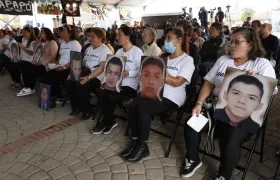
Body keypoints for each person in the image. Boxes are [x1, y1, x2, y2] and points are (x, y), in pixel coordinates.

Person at [182, 27, 276, 180]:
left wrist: (259, 80)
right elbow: (208, 83)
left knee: (231, 137)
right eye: (231, 41)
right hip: (217, 110)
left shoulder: (261, 65)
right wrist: (199, 103)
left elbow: (270, 92)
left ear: (250, 45)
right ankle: (193, 159)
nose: (231, 45)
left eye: (237, 42)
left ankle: (224, 175)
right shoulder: (223, 60)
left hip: (243, 116)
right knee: (192, 123)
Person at [122, 28, 195, 163]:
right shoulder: (163, 57)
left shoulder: (187, 60)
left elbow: (178, 82)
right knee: (134, 104)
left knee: (143, 108)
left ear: (179, 40)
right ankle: (137, 142)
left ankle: (142, 146)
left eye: (168, 38)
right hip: (155, 92)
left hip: (172, 96)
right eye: (165, 38)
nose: (165, 41)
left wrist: (160, 73)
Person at [92, 26, 143, 135]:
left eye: (119, 34)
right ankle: (110, 121)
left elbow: (142, 71)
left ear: (127, 37)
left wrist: (130, 73)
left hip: (130, 85)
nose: (117, 37)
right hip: (117, 82)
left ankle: (107, 121)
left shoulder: (137, 51)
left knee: (111, 95)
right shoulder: (119, 52)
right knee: (101, 91)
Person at [66, 27, 112, 119]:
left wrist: (89, 77)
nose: (90, 39)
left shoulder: (105, 50)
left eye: (93, 37)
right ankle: (77, 107)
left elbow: (101, 68)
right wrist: (73, 72)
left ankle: (87, 110)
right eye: (89, 36)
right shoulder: (89, 48)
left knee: (81, 84)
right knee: (69, 82)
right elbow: (82, 62)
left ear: (100, 38)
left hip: (97, 76)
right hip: (86, 71)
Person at [40, 25, 81, 105]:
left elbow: (76, 60)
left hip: (70, 68)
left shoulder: (75, 44)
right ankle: (54, 95)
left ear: (70, 33)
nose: (61, 32)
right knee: (43, 77)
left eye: (63, 31)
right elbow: (60, 56)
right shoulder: (63, 43)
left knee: (53, 78)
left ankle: (59, 96)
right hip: (60, 66)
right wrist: (56, 64)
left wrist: (64, 67)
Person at [17, 27, 58, 97]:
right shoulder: (44, 42)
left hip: (47, 65)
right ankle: (29, 87)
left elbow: (52, 56)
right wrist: (37, 41)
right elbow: (36, 51)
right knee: (26, 65)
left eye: (41, 32)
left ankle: (29, 87)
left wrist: (42, 63)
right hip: (41, 63)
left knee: (33, 69)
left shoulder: (52, 42)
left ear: (46, 34)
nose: (40, 34)